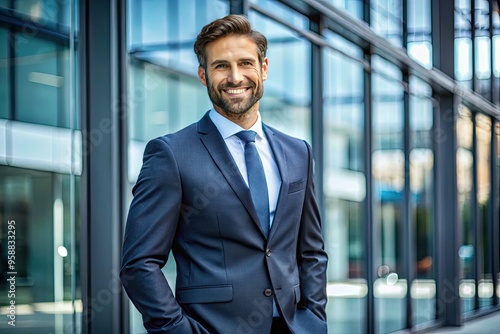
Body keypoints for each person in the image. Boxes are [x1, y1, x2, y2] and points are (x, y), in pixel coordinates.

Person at [120, 14, 328, 334]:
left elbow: (311, 250)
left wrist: (314, 317)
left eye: (246, 63)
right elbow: (139, 264)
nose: (235, 77)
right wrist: (177, 330)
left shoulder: (298, 152)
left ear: (264, 68)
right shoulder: (171, 154)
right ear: (203, 76)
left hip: (294, 326)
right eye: (221, 66)